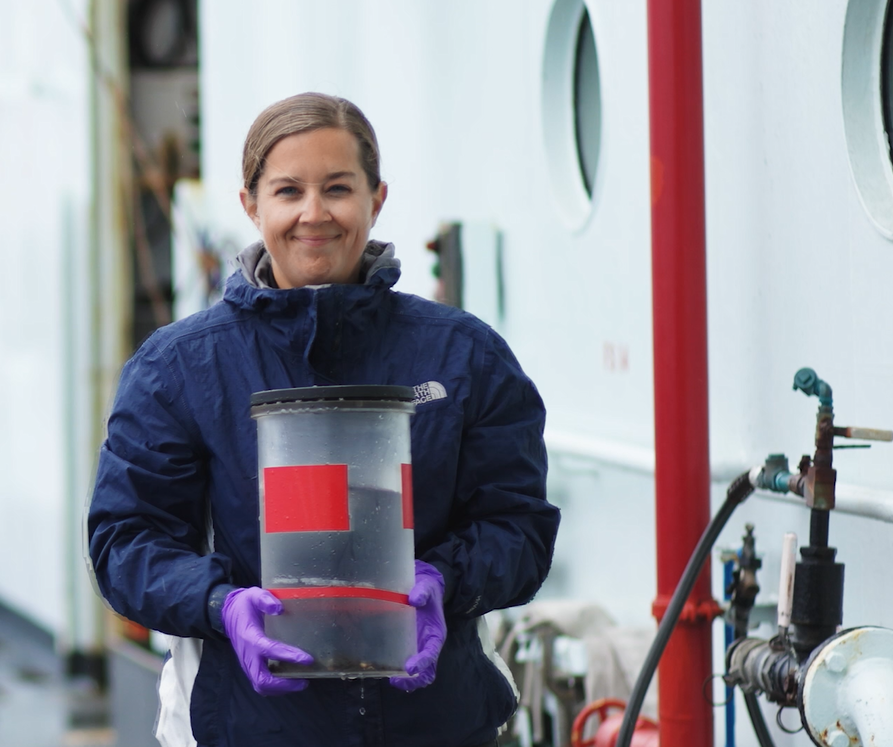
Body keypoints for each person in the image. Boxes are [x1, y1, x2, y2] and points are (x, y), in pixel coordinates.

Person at [88, 92, 559, 747]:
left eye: (338, 187)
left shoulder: (464, 356)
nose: (314, 213)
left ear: (377, 197)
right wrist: (222, 605)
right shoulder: (180, 368)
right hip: (254, 728)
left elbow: (520, 529)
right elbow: (126, 542)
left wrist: (444, 580)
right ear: (251, 204)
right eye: (288, 191)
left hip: (436, 726)